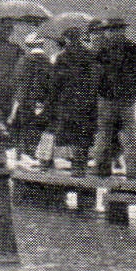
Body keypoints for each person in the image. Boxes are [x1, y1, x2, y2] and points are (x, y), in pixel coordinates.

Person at [89, 18, 136, 179]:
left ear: (110, 31)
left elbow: (95, 75)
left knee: (104, 134)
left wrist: (97, 91)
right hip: (128, 100)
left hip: (106, 98)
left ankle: (102, 169)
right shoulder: (135, 49)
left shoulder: (102, 50)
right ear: (123, 30)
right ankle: (132, 171)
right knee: (129, 134)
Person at [49, 26, 98, 175]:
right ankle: (81, 163)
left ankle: (75, 165)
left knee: (71, 132)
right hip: (87, 100)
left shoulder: (62, 57)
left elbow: (55, 83)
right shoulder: (90, 55)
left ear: (68, 39)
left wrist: (53, 101)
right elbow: (95, 78)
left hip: (68, 101)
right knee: (84, 132)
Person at [9, 36, 55, 165]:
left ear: (28, 46)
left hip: (27, 101)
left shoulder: (24, 61)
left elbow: (17, 81)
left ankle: (25, 154)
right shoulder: (49, 62)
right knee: (42, 129)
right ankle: (43, 157)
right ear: (42, 45)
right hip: (44, 102)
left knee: (24, 127)